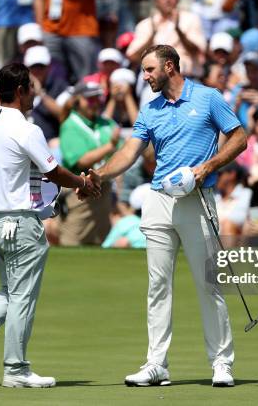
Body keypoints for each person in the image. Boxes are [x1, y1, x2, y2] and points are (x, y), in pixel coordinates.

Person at [89, 45, 247, 387]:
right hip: (159, 199)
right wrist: (100, 175)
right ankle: (156, 364)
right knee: (158, 285)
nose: (144, 77)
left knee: (209, 284)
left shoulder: (208, 98)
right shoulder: (150, 110)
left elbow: (239, 138)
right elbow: (130, 152)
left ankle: (222, 363)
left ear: (169, 67)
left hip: (197, 198)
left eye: (148, 70)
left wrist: (208, 166)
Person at [0, 63, 100, 389]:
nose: (34, 93)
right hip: (21, 224)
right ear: (21, 91)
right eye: (31, 88)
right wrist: (82, 183)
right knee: (22, 296)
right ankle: (16, 369)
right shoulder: (28, 130)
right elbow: (53, 172)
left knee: (10, 289)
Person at [58, 82, 120, 246]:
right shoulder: (70, 125)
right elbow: (80, 160)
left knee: (102, 241)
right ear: (78, 101)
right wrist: (109, 146)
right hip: (79, 192)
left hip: (103, 192)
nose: (95, 102)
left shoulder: (105, 123)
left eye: (97, 98)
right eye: (90, 99)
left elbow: (122, 151)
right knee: (73, 241)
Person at [126, 0, 206, 79]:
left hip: (187, 78)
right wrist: (152, 37)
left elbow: (197, 51)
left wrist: (178, 29)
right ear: (156, 1)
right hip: (156, 82)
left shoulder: (191, 19)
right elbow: (133, 56)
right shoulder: (146, 25)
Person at [34, 0, 111, 83]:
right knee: (54, 78)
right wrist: (41, 28)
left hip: (82, 31)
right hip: (50, 31)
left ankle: (84, 98)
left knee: (86, 79)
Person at [214, 162, 252, 235]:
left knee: (228, 226)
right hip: (213, 241)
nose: (215, 177)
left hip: (239, 241)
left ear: (232, 174)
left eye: (219, 174)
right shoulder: (215, 196)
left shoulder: (247, 195)